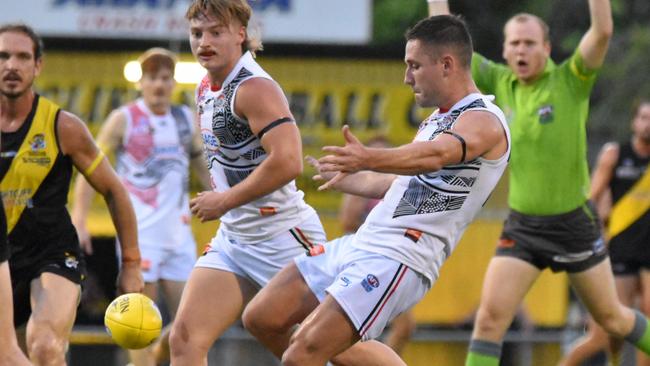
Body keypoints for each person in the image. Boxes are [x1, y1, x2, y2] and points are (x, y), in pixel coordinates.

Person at [243, 14, 511, 366]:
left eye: (414, 66)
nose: (406, 77)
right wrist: (350, 177)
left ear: (446, 64)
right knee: (262, 317)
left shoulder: (484, 119)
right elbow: (403, 181)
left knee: (301, 355)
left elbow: (435, 156)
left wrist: (368, 156)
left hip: (399, 257)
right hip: (364, 242)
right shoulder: (437, 119)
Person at [427, 1, 650, 365]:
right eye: (514, 43)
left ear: (546, 49)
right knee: (488, 321)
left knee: (612, 318)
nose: (521, 50)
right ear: (504, 50)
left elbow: (603, 31)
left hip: (574, 225)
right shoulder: (499, 81)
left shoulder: (571, 79)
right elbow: (446, 41)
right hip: (523, 227)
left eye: (530, 43)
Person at [166, 1, 331, 364]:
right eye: (196, 33)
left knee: (334, 349)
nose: (203, 42)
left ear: (241, 34)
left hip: (283, 236)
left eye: (215, 32)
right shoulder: (205, 87)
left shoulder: (254, 87)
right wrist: (223, 201)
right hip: (235, 239)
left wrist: (224, 201)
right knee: (184, 338)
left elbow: (288, 161)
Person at [0, 23, 143, 365]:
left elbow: (114, 190)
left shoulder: (62, 127)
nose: (11, 66)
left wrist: (133, 264)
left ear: (38, 65)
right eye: (3, 56)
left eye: (22, 57)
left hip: (50, 252)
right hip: (2, 257)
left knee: (46, 346)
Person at [71, 47, 209, 366]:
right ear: (141, 82)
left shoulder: (185, 120)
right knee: (137, 325)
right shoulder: (124, 119)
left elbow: (203, 166)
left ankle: (164, 354)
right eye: (152, 78)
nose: (159, 85)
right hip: (140, 237)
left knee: (192, 324)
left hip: (179, 238)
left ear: (174, 83)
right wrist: (80, 218)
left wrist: (228, 199)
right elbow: (89, 169)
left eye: (165, 79)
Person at [560, 99, 650, 366]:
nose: (648, 124)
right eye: (644, 118)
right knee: (609, 330)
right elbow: (592, 200)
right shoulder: (616, 154)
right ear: (634, 122)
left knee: (648, 319)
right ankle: (610, 360)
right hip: (620, 249)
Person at [338, 135, 417, 356]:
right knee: (392, 326)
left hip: (388, 261)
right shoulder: (362, 183)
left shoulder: (394, 183)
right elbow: (347, 221)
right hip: (366, 260)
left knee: (403, 327)